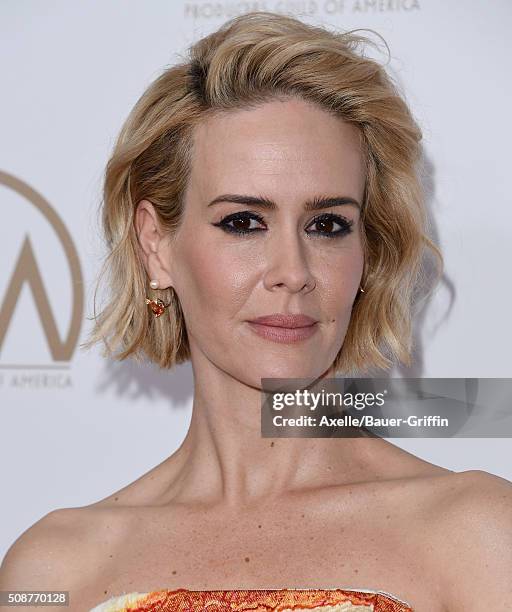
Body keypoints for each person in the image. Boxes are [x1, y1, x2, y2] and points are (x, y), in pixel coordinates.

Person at [1, 10, 511, 612]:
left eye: (327, 225)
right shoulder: (55, 569)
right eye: (243, 222)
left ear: (367, 251)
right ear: (155, 245)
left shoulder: (479, 535)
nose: (292, 271)